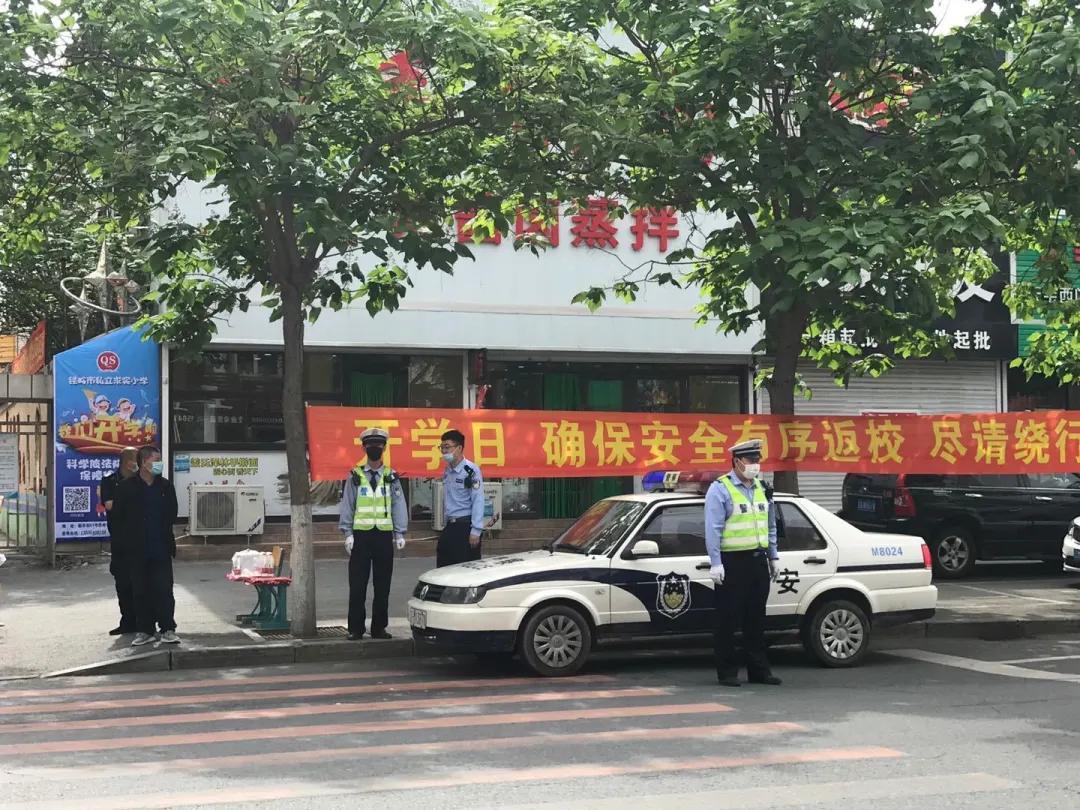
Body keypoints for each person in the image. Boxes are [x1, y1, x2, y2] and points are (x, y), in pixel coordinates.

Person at [705, 438, 782, 688]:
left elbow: (770, 525)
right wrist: (715, 563)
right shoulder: (720, 489)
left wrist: (773, 556)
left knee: (756, 619)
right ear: (737, 461)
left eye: (758, 460)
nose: (755, 465)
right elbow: (713, 529)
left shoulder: (762, 488)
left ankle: (759, 671)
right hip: (732, 563)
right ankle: (727, 672)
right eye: (751, 460)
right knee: (727, 620)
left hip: (758, 562)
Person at [338, 427, 407, 641]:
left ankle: (379, 628)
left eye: (378, 445)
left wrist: (400, 533)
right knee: (357, 585)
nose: (374, 448)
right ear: (364, 448)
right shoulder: (355, 476)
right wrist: (347, 533)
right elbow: (348, 505)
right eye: (370, 445)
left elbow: (398, 505)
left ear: (384, 448)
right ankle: (355, 629)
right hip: (361, 536)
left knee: (382, 585)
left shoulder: (391, 476)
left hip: (383, 537)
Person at [112, 445, 180, 647]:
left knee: (164, 590)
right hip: (136, 550)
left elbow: (172, 513)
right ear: (143, 462)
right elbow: (118, 518)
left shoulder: (165, 487)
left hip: (160, 547)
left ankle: (168, 629)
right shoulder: (126, 487)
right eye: (155, 460)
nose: (159, 464)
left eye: (160, 460)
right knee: (140, 591)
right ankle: (145, 630)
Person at [101, 446, 139, 636]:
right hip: (120, 541)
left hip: (140, 540)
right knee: (123, 583)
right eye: (133, 458)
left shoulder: (143, 481)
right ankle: (127, 622)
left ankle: (144, 621)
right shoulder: (110, 480)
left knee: (141, 583)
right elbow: (109, 505)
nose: (136, 462)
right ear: (125, 461)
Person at [436, 429, 485, 567]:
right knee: (443, 567)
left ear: (459, 448)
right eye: (442, 447)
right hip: (450, 526)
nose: (444, 451)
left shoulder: (471, 471)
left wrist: (476, 530)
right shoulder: (448, 470)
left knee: (464, 570)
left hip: (465, 526)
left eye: (447, 447)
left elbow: (478, 499)